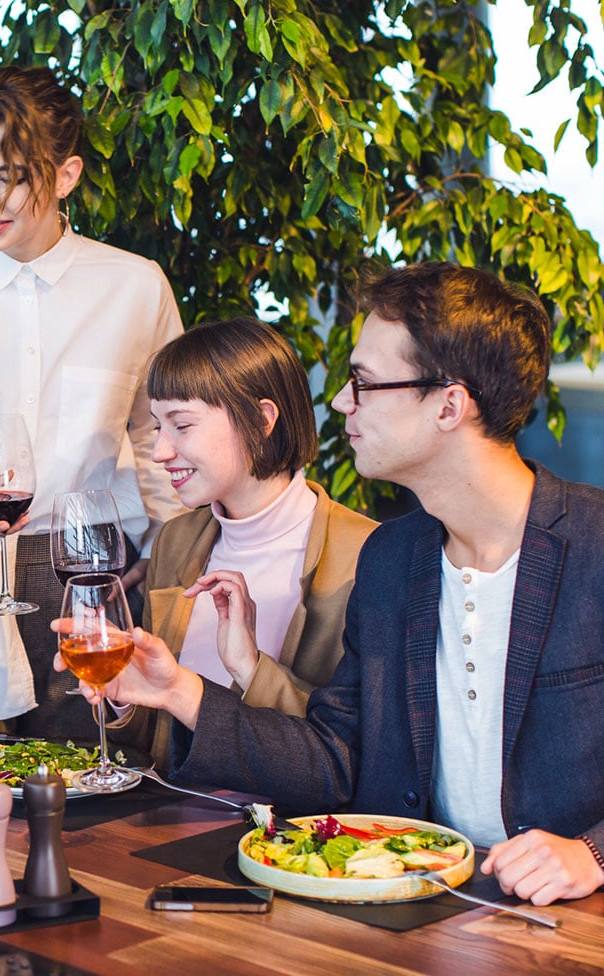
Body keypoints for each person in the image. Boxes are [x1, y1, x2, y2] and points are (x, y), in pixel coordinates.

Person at [62, 262, 604, 905]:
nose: (342, 402)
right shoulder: (393, 558)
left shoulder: (593, 544)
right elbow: (333, 760)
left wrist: (593, 850)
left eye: (364, 383)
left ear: (449, 406)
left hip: (569, 918)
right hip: (413, 903)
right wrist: (180, 690)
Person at [0, 65, 185, 736]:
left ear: (67, 175)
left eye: (12, 177)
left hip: (92, 569)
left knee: (96, 770)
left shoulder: (135, 287)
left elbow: (158, 439)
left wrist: (168, 560)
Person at [108, 319, 376, 766]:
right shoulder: (176, 540)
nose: (160, 452)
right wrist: (121, 690)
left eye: (182, 426)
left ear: (261, 419)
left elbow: (351, 755)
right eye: (157, 428)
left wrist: (250, 668)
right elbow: (156, 739)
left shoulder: (367, 555)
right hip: (171, 805)